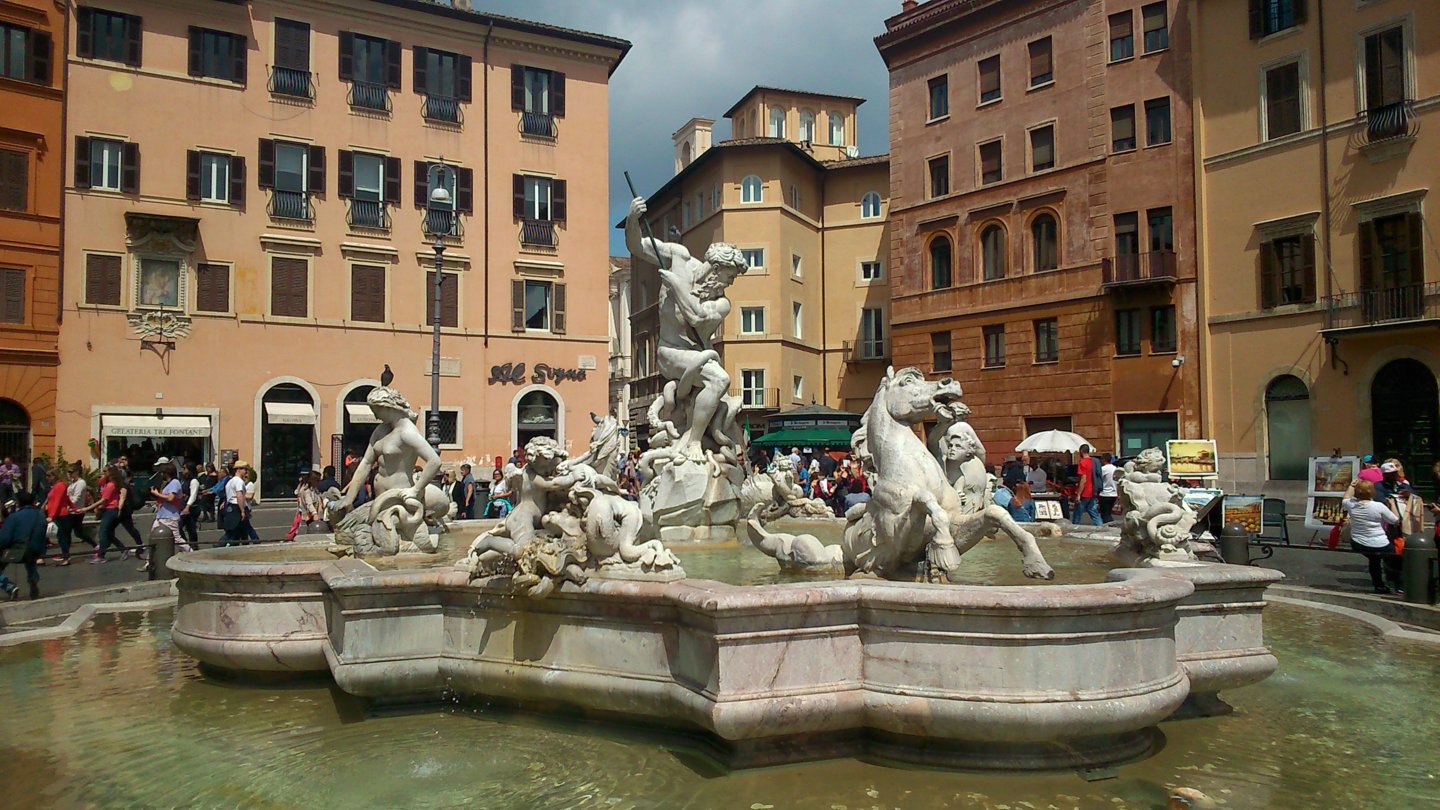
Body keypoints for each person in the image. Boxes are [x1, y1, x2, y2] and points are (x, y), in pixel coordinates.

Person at [1343, 479, 1401, 594]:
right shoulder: (1378, 506)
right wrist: (1393, 505)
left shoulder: (1350, 504)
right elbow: (1395, 520)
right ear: (1372, 492)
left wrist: (1351, 485)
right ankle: (1400, 585)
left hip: (1358, 542)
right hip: (1380, 542)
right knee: (1397, 559)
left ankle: (1379, 585)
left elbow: (1345, 498)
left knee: (1374, 560)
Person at [0, 490, 47, 599]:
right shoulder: (40, 516)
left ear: (19, 503)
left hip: (17, 551)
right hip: (35, 550)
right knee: (30, 561)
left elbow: (4, 539)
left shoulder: (15, 517)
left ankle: (9, 587)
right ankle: (33, 579)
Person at [145, 462, 192, 571]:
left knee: (176, 539)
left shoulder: (175, 483)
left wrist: (157, 494)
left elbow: (170, 498)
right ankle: (149, 562)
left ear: (166, 472)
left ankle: (191, 553)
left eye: (162, 472)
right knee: (153, 536)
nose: (161, 475)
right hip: (161, 515)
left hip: (170, 516)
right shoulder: (167, 483)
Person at [92, 465, 141, 563]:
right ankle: (122, 549)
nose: (103, 473)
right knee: (108, 532)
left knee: (129, 529)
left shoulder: (121, 485)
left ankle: (139, 545)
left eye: (105, 471)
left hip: (122, 511)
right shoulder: (108, 482)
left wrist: (119, 508)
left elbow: (122, 498)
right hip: (115, 511)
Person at [221, 462, 254, 546]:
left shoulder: (230, 481)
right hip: (236, 508)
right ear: (238, 470)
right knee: (233, 533)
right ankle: (219, 546)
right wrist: (242, 510)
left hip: (230, 507)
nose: (246, 471)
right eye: (244, 469)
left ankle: (245, 547)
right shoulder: (239, 482)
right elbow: (239, 495)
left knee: (241, 531)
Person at [285, 470, 322, 541]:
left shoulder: (314, 489)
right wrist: (314, 513)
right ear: (312, 480)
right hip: (306, 515)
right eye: (317, 480)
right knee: (300, 531)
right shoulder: (306, 491)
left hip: (310, 515)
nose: (319, 482)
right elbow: (309, 503)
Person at [1072, 445, 1102, 526]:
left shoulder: (1082, 462)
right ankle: (1101, 527)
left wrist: (1078, 494)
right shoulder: (1094, 461)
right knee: (1093, 511)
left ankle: (1074, 529)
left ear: (1081, 451)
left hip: (1084, 492)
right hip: (1093, 491)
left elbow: (1083, 479)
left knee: (1077, 514)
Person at [1098, 454, 1119, 522]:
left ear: (1104, 460)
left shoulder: (1103, 469)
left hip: (1105, 493)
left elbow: (1099, 480)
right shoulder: (1115, 469)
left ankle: (1109, 526)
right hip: (1114, 493)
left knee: (1105, 514)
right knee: (1108, 512)